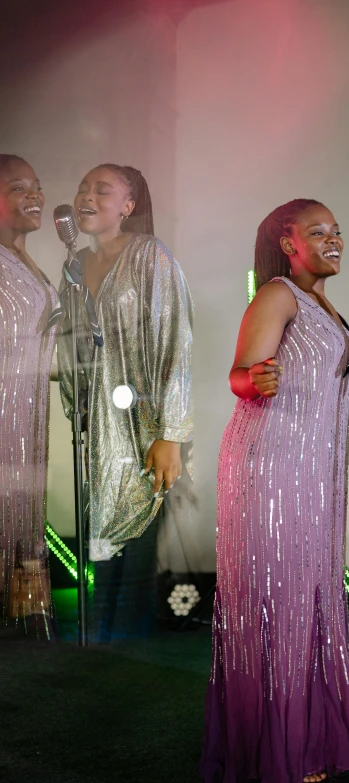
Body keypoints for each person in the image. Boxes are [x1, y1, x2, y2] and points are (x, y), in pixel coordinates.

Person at [200, 199, 349, 783]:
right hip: (270, 466)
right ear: (287, 242)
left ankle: (307, 735)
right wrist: (255, 378)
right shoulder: (277, 294)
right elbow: (240, 373)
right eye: (318, 231)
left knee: (309, 596)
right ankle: (282, 748)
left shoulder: (330, 305)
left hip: (313, 467)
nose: (333, 239)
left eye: (337, 231)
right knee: (279, 603)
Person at [58, 164, 194, 642]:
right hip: (96, 427)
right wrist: (75, 406)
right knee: (98, 538)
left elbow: (176, 341)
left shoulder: (150, 256)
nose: (86, 196)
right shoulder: (73, 265)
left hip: (144, 429)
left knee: (134, 538)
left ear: (128, 206)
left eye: (102, 189)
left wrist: (170, 433)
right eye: (82, 187)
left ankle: (126, 651)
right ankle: (95, 645)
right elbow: (69, 344)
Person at [0, 154, 59, 640]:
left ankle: (21, 624)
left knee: (21, 510)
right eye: (20, 187)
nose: (35, 195)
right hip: (3, 410)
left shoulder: (28, 260)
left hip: (27, 411)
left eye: (36, 185)